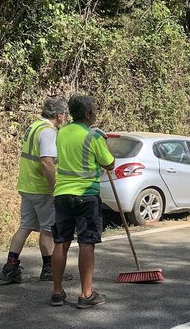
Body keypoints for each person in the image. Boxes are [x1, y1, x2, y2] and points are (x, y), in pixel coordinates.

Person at [50, 95, 115, 309]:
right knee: (86, 243)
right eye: (94, 110)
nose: (95, 113)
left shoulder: (62, 133)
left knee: (61, 241)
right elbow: (110, 164)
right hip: (86, 195)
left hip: (62, 194)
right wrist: (104, 143)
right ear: (88, 114)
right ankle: (86, 294)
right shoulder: (92, 137)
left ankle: (57, 292)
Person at [0, 97, 69, 284]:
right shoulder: (48, 132)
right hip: (42, 188)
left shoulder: (34, 126)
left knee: (25, 226)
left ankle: (11, 267)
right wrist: (54, 188)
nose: (65, 118)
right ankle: (49, 269)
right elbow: (47, 162)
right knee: (48, 230)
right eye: (64, 115)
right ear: (59, 115)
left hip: (27, 185)